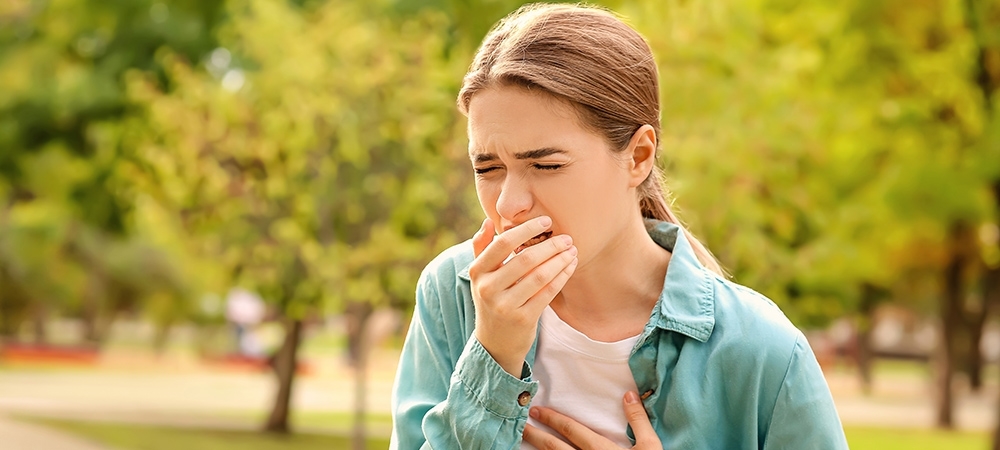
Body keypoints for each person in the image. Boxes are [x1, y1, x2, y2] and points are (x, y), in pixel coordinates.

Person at [391, 3, 849, 449]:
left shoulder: (761, 351)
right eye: (488, 168)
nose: (509, 204)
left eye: (546, 165)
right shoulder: (454, 293)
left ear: (639, 156)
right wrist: (492, 357)